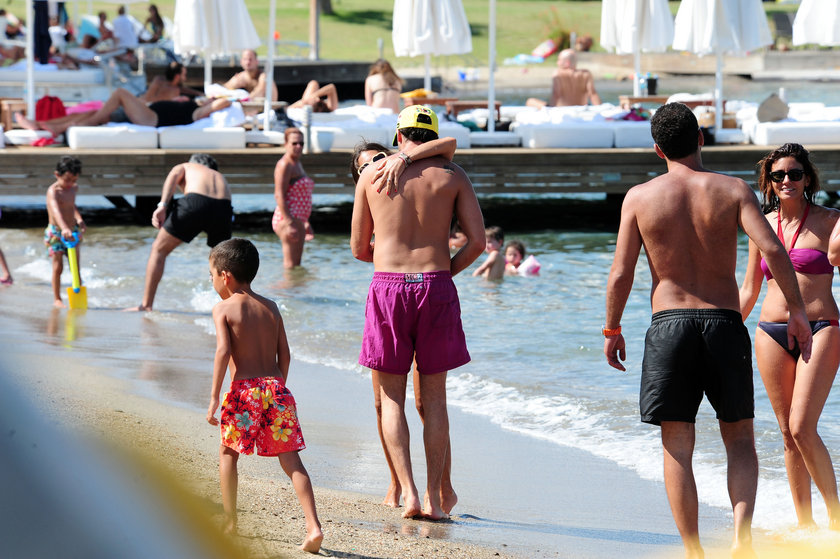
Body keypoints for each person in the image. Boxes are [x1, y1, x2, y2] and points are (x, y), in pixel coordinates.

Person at [603, 102, 813, 558]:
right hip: (724, 323)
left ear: (657, 149)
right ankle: (741, 539)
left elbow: (621, 272)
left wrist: (612, 327)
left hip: (669, 325)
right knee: (739, 439)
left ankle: (694, 550)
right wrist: (797, 310)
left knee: (677, 445)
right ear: (701, 139)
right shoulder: (733, 190)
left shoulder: (638, 198)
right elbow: (773, 250)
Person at [350, 105, 484, 519]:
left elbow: (358, 248)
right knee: (436, 402)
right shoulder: (453, 175)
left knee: (392, 399)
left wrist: (391, 260)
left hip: (388, 287)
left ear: (398, 134)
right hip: (436, 286)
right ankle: (434, 500)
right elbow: (478, 242)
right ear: (433, 136)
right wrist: (444, 272)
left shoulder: (372, 175)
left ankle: (406, 493)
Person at [740, 143, 840, 531]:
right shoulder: (761, 224)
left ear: (807, 179)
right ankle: (805, 526)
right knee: (787, 433)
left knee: (802, 426)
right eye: (779, 175)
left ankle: (836, 520)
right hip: (770, 331)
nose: (787, 180)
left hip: (821, 328)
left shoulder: (831, 220)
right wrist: (721, 327)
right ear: (769, 181)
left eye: (795, 174)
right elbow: (749, 288)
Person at [205, 238, 322, 552]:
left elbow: (223, 351)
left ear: (225, 276)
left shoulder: (223, 309)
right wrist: (277, 389)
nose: (212, 282)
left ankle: (231, 522)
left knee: (228, 454)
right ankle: (313, 527)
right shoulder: (271, 307)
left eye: (212, 276)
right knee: (292, 460)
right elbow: (286, 355)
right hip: (276, 388)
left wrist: (215, 397)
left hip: (243, 392)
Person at [128, 154, 232, 312]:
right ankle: (230, 308)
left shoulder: (187, 166)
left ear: (194, 162)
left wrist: (162, 205)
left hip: (195, 202)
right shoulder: (219, 176)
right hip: (223, 209)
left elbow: (174, 175)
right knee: (221, 262)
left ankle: (146, 305)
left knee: (158, 250)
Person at [14, 87, 231, 137]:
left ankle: (62, 126)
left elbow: (221, 104)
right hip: (146, 113)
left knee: (119, 93)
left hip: (150, 120)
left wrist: (223, 97)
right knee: (96, 112)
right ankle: (45, 125)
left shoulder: (197, 112)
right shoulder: (191, 103)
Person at [44, 156, 85, 308]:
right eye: (67, 180)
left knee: (75, 267)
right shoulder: (53, 192)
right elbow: (56, 212)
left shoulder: (73, 188)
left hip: (72, 232)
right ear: (57, 175)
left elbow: (71, 206)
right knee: (58, 267)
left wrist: (79, 219)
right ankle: (57, 298)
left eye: (74, 180)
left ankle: (78, 295)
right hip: (56, 233)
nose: (70, 184)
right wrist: (64, 228)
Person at [272, 128, 314, 269]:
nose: (298, 147)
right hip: (288, 219)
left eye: (301, 143)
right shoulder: (285, 164)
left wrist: (305, 222)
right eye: (294, 143)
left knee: (297, 266)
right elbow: (279, 194)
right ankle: (283, 285)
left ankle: (295, 286)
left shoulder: (297, 163)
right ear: (285, 144)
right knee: (290, 266)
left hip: (298, 219)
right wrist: (289, 223)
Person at [526, 48, 601, 108]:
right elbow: (592, 94)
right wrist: (600, 109)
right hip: (580, 108)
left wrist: (551, 111)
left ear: (567, 63)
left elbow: (556, 94)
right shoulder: (586, 74)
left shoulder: (558, 74)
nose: (557, 63)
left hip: (562, 110)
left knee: (530, 101)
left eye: (559, 60)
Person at [139, 62, 203, 103]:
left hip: (141, 101)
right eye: (184, 75)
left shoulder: (159, 79)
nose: (185, 78)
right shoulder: (174, 91)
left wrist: (199, 93)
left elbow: (184, 89)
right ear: (177, 76)